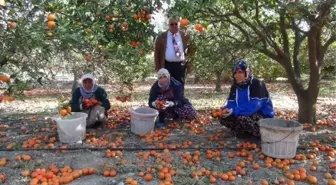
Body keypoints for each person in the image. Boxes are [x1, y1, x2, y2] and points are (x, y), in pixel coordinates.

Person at [220, 59, 274, 138]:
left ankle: (262, 134)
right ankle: (243, 132)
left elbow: (253, 106)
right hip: (243, 114)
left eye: (240, 72)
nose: (237, 75)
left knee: (242, 119)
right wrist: (225, 110)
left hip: (262, 117)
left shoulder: (257, 84)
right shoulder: (235, 86)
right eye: (235, 73)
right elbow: (231, 103)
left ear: (247, 72)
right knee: (223, 118)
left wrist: (234, 110)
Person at [154, 17, 196, 92]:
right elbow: (157, 52)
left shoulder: (185, 35)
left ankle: (179, 102)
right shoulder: (162, 37)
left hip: (180, 65)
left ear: (179, 24)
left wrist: (188, 59)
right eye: (171, 24)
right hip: (167, 65)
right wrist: (158, 67)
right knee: (166, 85)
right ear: (168, 25)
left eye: (176, 24)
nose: (174, 26)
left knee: (180, 85)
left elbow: (192, 48)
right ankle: (168, 102)